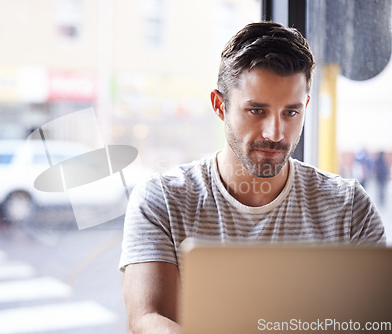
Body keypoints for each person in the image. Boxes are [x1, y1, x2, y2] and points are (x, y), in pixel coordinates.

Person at [119, 22, 386, 334]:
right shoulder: (162, 199)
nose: (275, 133)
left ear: (306, 108)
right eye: (257, 111)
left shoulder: (349, 206)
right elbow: (147, 318)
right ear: (220, 106)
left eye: (291, 113)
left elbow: (373, 320)